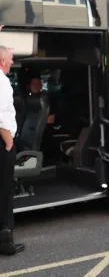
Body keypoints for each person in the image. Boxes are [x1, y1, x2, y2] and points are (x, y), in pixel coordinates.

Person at [0, 45, 25, 255]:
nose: (12, 61)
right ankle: (6, 241)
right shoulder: (2, 81)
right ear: (2, 61)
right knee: (5, 192)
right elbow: (0, 114)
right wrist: (8, 142)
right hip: (2, 142)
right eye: (10, 58)